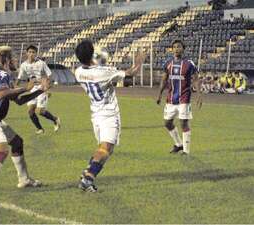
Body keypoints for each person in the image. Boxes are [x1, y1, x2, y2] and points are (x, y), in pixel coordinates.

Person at [0, 46, 51, 199]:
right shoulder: (2, 73)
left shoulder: (4, 75)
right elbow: (2, 94)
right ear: (7, 60)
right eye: (14, 58)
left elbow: (19, 101)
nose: (16, 60)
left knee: (16, 143)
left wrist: (41, 90)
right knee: (1, 150)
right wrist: (24, 88)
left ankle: (24, 180)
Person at [74, 40, 145, 192]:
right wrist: (140, 59)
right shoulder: (104, 72)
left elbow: (100, 73)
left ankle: (87, 172)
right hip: (109, 114)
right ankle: (88, 179)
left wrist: (99, 63)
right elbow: (130, 74)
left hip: (96, 114)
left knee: (103, 148)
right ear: (91, 53)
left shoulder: (78, 72)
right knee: (106, 149)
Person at [156, 40, 202, 155]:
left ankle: (186, 151)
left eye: (179, 47)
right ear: (172, 49)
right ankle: (178, 144)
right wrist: (159, 94)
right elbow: (164, 79)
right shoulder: (168, 63)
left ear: (183, 49)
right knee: (167, 123)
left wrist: (199, 95)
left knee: (183, 123)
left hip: (184, 98)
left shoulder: (189, 63)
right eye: (174, 47)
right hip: (171, 98)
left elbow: (196, 79)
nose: (177, 49)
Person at [16, 45, 60, 134]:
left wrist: (47, 88)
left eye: (33, 52)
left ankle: (55, 119)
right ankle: (40, 129)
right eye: (30, 52)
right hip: (32, 89)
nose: (31, 54)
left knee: (40, 111)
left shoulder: (41, 63)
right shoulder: (23, 65)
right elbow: (19, 78)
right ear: (26, 53)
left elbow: (49, 75)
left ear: (36, 53)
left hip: (41, 88)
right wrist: (14, 89)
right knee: (30, 111)